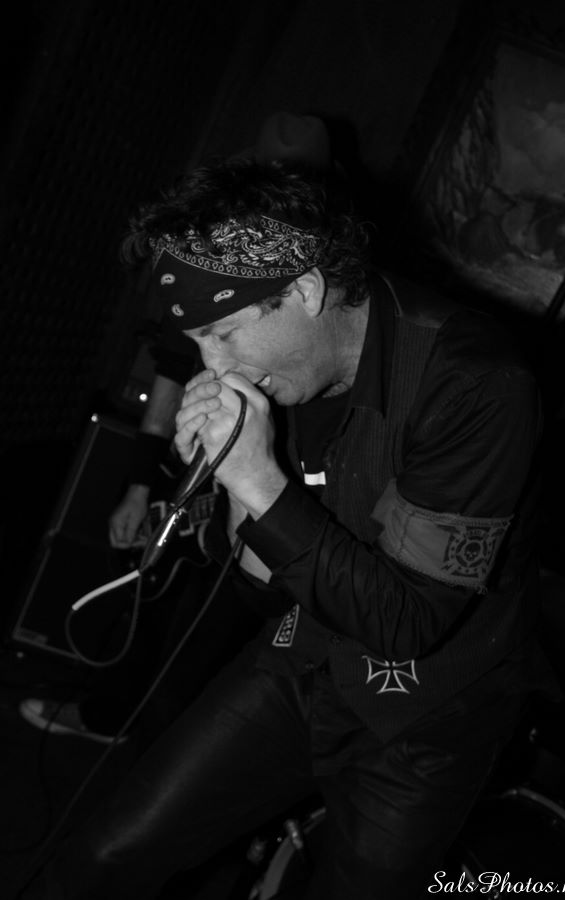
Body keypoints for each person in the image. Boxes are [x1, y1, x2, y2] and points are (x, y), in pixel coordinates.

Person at [22, 157, 543, 900]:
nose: (213, 367)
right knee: (107, 854)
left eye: (224, 334)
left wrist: (260, 481)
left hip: (428, 717)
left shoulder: (475, 385)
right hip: (301, 657)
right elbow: (260, 587)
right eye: (198, 342)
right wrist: (232, 481)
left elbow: (404, 622)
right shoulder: (282, 378)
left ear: (303, 290)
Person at [19, 111, 336, 746]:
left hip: (275, 506)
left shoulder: (320, 289)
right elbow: (170, 374)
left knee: (209, 652)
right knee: (149, 608)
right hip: (194, 485)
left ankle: (165, 760)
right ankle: (110, 722)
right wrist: (143, 485)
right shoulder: (199, 267)